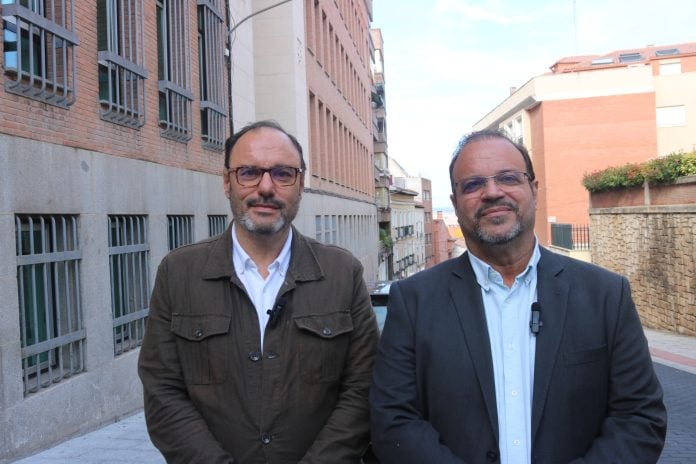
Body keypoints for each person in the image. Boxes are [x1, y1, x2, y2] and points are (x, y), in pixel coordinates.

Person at [369, 129, 667, 464]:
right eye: (473, 184)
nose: (492, 192)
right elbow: (393, 422)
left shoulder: (606, 296)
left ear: (534, 190)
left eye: (508, 178)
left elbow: (640, 418)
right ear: (455, 204)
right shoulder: (414, 302)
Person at [138, 120, 380, 463]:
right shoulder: (179, 274)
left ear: (301, 184)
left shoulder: (342, 273)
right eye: (249, 172)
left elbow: (363, 389)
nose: (266, 187)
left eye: (283, 174)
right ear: (227, 182)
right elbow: (163, 391)